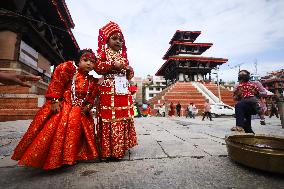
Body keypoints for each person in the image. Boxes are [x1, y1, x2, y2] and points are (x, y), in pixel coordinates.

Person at [11, 49, 99, 170]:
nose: (89, 63)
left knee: (78, 134)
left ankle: (73, 156)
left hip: (80, 111)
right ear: (78, 62)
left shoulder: (92, 81)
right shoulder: (69, 70)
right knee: (58, 131)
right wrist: (54, 100)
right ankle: (56, 158)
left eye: (92, 62)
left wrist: (88, 106)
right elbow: (57, 83)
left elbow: (91, 97)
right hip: (65, 107)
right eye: (86, 60)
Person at [94, 21, 137, 160]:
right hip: (108, 88)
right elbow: (98, 67)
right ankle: (108, 151)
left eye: (120, 39)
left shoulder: (123, 56)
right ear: (107, 40)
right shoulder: (103, 52)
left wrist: (129, 70)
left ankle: (120, 148)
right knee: (110, 118)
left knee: (122, 116)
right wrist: (112, 64)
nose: (118, 41)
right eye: (114, 38)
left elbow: (129, 74)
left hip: (122, 88)